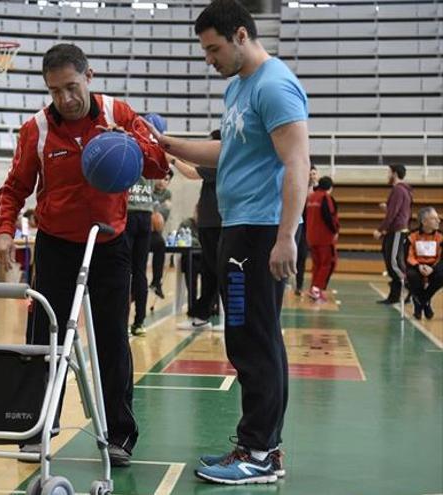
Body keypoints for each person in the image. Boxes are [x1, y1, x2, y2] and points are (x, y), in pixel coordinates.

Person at [149, 0, 310, 484]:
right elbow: (228, 150)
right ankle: (259, 445)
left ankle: (260, 452)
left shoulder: (276, 85)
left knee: (254, 338)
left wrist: (286, 236)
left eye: (213, 48)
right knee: (246, 335)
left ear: (242, 35)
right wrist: (166, 143)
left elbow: (298, 161)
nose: (208, 59)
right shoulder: (240, 87)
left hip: (261, 231)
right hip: (238, 228)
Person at [0, 43, 169, 467]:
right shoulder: (36, 129)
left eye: (72, 87)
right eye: (55, 91)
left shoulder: (119, 115)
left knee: (111, 341)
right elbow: (14, 188)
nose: (65, 99)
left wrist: (131, 146)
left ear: (89, 77)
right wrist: (2, 231)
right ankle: (36, 429)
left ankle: (119, 436)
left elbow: (160, 164)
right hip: (55, 244)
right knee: (43, 339)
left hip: (110, 244)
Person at [173, 129, 223, 330]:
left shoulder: (220, 160)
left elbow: (192, 172)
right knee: (210, 270)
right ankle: (201, 315)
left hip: (216, 223)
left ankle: (230, 319)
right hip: (209, 223)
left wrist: (174, 160)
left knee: (219, 269)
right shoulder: (214, 164)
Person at [125, 113, 168, 335]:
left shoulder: (129, 144)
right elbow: (162, 180)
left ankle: (120, 319)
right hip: (145, 214)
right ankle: (139, 321)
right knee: (139, 271)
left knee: (123, 270)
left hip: (128, 212)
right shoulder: (155, 151)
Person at [374, 164, 413, 304]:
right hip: (395, 230)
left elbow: (393, 213)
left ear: (395, 174)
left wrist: (380, 229)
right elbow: (398, 210)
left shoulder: (398, 190)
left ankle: (413, 288)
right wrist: (388, 207)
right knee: (391, 262)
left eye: (389, 173)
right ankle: (394, 296)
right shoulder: (403, 190)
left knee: (394, 263)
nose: (387, 176)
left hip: (397, 231)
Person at [305, 176, 339, 303]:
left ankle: (313, 288)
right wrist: (335, 230)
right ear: (330, 187)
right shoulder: (326, 198)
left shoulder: (311, 198)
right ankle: (317, 289)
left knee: (317, 264)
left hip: (311, 237)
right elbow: (328, 216)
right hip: (325, 238)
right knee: (328, 264)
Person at [405, 207, 442, 319]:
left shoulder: (441, 237)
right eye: (434, 218)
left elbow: (441, 258)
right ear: (424, 222)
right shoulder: (412, 236)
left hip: (434, 266)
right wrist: (418, 266)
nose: (438, 221)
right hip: (417, 266)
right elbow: (408, 255)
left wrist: (433, 268)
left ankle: (422, 300)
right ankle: (424, 303)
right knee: (412, 275)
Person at [294, 164, 320, 296]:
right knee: (297, 256)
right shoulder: (300, 188)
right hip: (300, 226)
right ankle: (295, 284)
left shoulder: (320, 192)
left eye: (314, 173)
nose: (312, 176)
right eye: (310, 173)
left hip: (313, 230)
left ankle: (303, 285)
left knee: (304, 258)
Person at [148, 170, 174, 298]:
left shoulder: (168, 194)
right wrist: (160, 208)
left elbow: (160, 222)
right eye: (161, 178)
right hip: (143, 229)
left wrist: (155, 211)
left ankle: (156, 282)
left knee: (160, 244)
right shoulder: (148, 189)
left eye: (166, 179)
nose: (162, 181)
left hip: (154, 233)